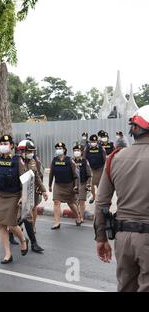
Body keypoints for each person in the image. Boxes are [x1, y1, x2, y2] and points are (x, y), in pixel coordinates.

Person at [94, 105, 149, 292]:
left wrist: (101, 238)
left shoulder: (114, 158)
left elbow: (101, 203)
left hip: (123, 238)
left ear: (134, 129)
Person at [0, 135, 29, 264]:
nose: (3, 145)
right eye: (1, 143)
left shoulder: (17, 160)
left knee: (11, 224)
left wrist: (23, 197)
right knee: (1, 225)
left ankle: (23, 240)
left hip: (14, 195)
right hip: (0, 195)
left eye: (6, 143)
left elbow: (25, 180)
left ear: (12, 146)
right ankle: (7, 254)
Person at [17, 140, 49, 253]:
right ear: (22, 151)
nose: (31, 153)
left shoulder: (32, 161)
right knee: (16, 220)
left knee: (27, 217)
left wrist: (43, 190)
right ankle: (14, 235)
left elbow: (37, 177)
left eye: (32, 151)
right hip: (17, 195)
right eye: (29, 151)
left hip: (27, 193)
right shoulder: (16, 162)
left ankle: (34, 243)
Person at [48, 142, 82, 229]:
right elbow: (51, 173)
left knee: (70, 203)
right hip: (58, 185)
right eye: (57, 149)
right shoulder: (54, 160)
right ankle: (57, 222)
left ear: (64, 150)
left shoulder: (69, 160)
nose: (58, 150)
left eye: (60, 149)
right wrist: (49, 184)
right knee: (56, 202)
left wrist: (76, 185)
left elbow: (75, 174)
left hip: (69, 185)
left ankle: (78, 217)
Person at [83, 135, 107, 204]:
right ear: (90, 142)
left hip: (100, 168)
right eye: (92, 141)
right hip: (91, 168)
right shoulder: (87, 148)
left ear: (97, 141)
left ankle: (101, 198)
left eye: (95, 141)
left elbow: (105, 159)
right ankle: (94, 196)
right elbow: (84, 158)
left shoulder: (101, 148)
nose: (94, 142)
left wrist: (105, 168)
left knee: (100, 184)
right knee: (92, 183)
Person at [72, 144, 92, 223]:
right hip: (74, 184)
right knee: (74, 201)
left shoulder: (84, 161)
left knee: (81, 201)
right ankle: (77, 215)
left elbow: (89, 175)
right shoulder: (71, 161)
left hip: (83, 184)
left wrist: (88, 184)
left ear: (82, 152)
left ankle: (81, 217)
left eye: (78, 151)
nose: (76, 152)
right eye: (75, 151)